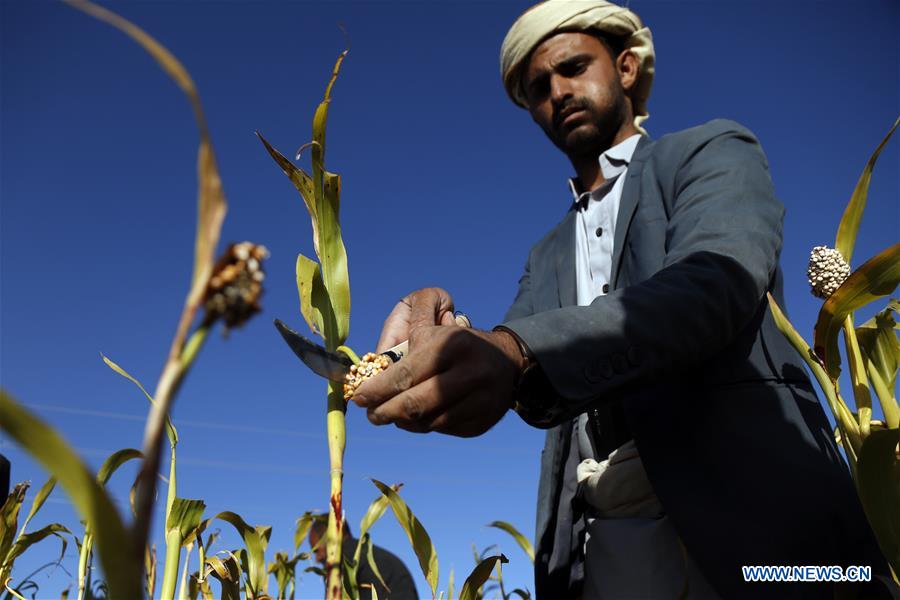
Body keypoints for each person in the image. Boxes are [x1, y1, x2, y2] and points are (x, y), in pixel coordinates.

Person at [351, 1, 892, 598]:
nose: (557, 91)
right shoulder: (547, 252)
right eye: (537, 87)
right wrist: (447, 328)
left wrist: (510, 350)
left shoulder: (710, 151)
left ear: (627, 67)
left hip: (763, 534)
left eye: (574, 67)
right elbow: (514, 358)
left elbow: (714, 284)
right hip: (607, 545)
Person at [307, 518, 418, 599]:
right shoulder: (377, 556)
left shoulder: (341, 564)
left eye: (316, 549)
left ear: (331, 535)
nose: (317, 558)